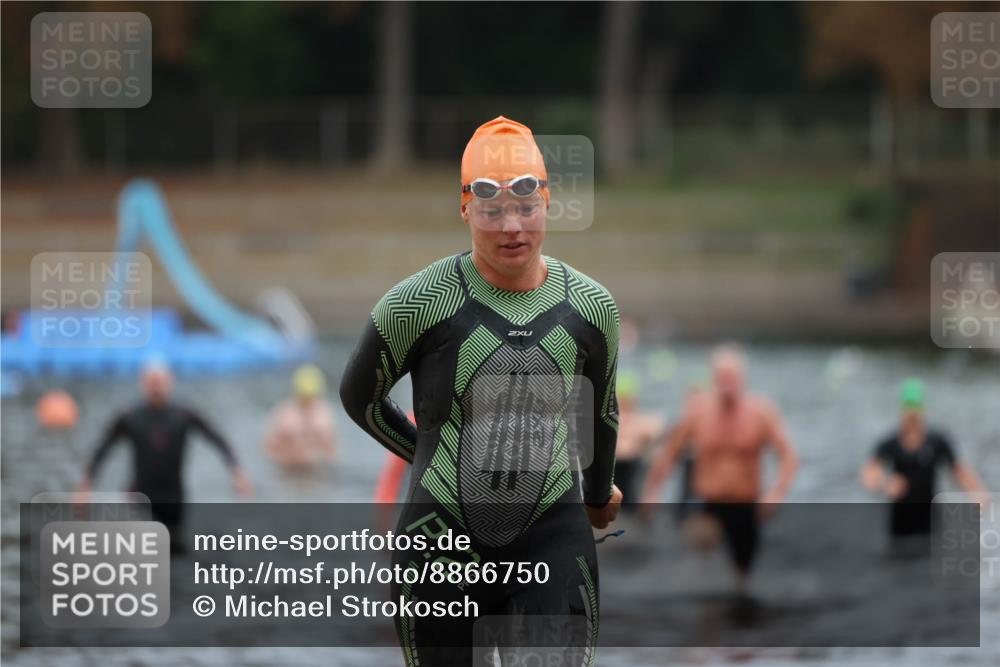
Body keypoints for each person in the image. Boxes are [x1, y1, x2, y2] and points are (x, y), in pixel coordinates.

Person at [340, 116, 621, 666]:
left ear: (547, 202)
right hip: (439, 537)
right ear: (465, 208)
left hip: (552, 539)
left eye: (526, 208)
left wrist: (597, 493)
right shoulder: (418, 303)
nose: (511, 227)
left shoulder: (591, 307)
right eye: (492, 212)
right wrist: (426, 453)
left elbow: (602, 415)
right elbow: (360, 399)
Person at [641, 345, 798, 589]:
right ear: (713, 378)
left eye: (731, 377)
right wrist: (652, 494)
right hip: (708, 504)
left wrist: (776, 494)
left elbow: (788, 457)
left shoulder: (761, 412)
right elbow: (669, 455)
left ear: (742, 378)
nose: (726, 383)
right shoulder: (698, 412)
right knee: (706, 565)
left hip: (747, 506)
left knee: (741, 579)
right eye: (721, 377)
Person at [76, 362, 251, 549]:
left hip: (174, 498)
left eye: (160, 382)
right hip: (140, 496)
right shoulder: (129, 418)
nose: (156, 387)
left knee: (173, 553)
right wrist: (86, 485)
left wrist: (237, 472)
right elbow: (102, 450)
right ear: (142, 384)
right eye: (151, 382)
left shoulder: (183, 415)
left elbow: (217, 439)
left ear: (170, 383)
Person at [860, 378, 988, 542]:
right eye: (908, 409)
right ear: (902, 410)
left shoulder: (938, 442)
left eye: (916, 409)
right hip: (899, 526)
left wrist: (978, 493)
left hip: (930, 525)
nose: (912, 415)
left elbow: (960, 471)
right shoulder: (890, 444)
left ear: (923, 410)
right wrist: (885, 483)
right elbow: (869, 473)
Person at [263, 364, 338, 469]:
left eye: (311, 397)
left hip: (314, 469)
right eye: (304, 398)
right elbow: (270, 449)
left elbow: (330, 452)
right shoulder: (285, 415)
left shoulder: (324, 415)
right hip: (288, 467)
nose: (308, 402)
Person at [613, 371, 665, 513]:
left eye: (627, 399)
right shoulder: (616, 421)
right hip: (616, 487)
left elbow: (656, 430)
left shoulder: (643, 422)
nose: (625, 403)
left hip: (632, 489)